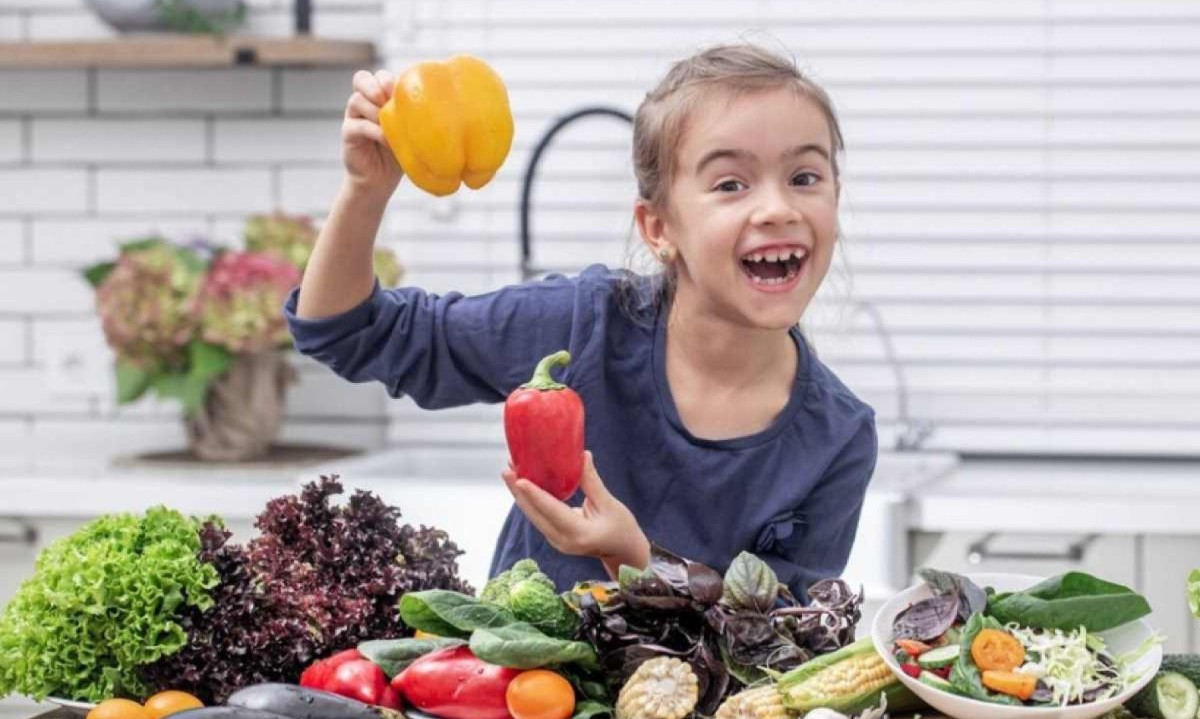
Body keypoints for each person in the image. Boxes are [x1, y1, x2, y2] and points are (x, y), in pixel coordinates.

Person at [283, 42, 876, 599]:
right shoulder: (582, 326)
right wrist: (367, 189)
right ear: (658, 229)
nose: (777, 207)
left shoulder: (838, 438)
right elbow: (345, 330)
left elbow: (788, 649)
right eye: (730, 183)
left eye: (804, 177)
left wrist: (636, 561)